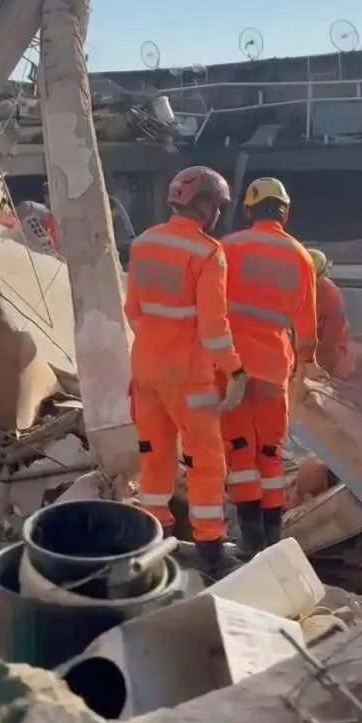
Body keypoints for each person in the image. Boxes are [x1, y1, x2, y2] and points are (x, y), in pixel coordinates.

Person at [124, 165, 244, 579]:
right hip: (189, 378)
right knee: (205, 462)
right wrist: (235, 370)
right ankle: (211, 550)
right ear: (205, 205)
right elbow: (214, 329)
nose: (218, 215)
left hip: (145, 372)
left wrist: (158, 346)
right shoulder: (208, 253)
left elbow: (134, 312)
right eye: (218, 206)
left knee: (154, 460)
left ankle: (154, 543)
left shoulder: (142, 244)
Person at [219, 177, 320, 557]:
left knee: (240, 452)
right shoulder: (301, 257)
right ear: (285, 212)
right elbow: (307, 332)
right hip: (274, 369)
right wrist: (308, 364)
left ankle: (250, 543)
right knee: (271, 454)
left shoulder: (227, 248)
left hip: (231, 368)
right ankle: (272, 543)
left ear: (248, 210)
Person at [307, 248, 351, 379]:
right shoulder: (291, 287)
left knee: (335, 369)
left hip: (327, 339)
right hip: (304, 337)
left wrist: (317, 368)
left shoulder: (332, 298)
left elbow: (330, 342)